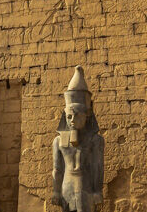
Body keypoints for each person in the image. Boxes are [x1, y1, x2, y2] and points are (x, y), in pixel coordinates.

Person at [51, 66, 104, 212]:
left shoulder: (94, 140)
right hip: (74, 186)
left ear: (87, 115)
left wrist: (97, 191)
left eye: (76, 115)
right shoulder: (94, 140)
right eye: (69, 116)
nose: (72, 120)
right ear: (64, 116)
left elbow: (97, 167)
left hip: (79, 187)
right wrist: (97, 191)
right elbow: (57, 170)